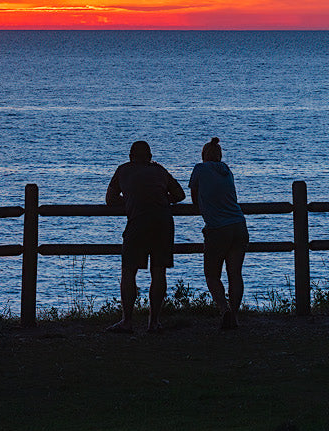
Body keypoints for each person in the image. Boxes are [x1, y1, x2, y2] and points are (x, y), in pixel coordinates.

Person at [104, 140, 185, 333]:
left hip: (137, 224)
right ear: (149, 157)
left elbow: (110, 199)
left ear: (131, 156)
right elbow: (180, 194)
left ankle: (127, 321)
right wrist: (163, 199)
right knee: (158, 273)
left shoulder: (123, 170)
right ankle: (153, 322)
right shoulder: (160, 171)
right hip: (163, 223)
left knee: (128, 271)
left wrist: (131, 199)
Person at [189, 137, 247, 330]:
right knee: (235, 274)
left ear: (204, 155)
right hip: (239, 224)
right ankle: (236, 317)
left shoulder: (200, 169)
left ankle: (224, 310)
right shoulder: (227, 170)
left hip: (217, 228)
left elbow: (194, 197)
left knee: (212, 275)